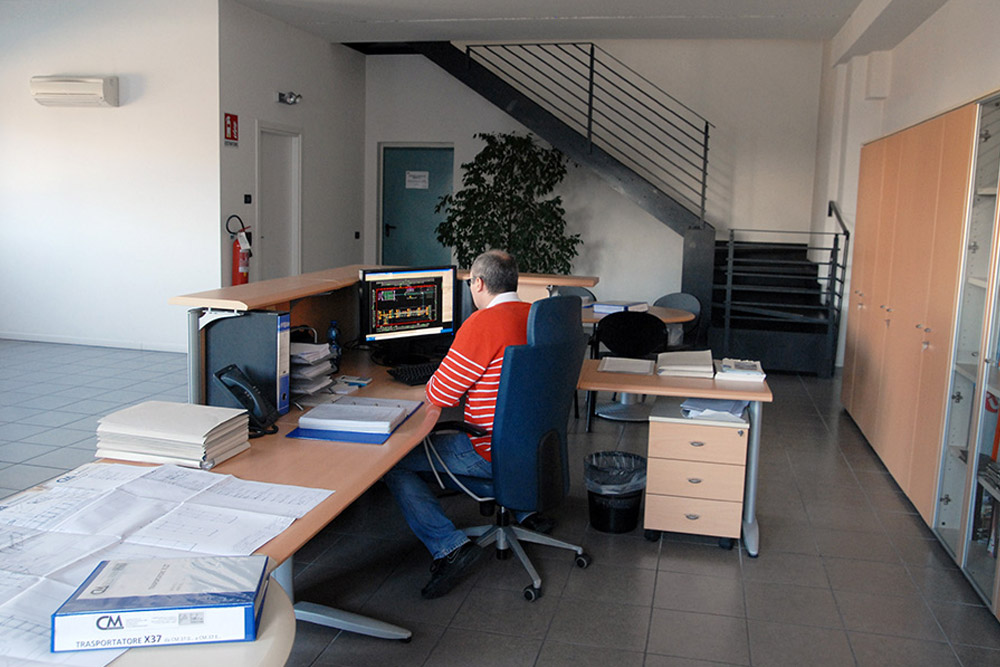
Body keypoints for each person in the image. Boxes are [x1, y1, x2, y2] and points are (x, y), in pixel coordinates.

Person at [383, 249, 550, 599]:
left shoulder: (482, 324)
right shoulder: (537, 316)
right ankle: (524, 510)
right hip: (535, 447)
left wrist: (432, 374)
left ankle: (449, 546)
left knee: (394, 462)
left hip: (488, 450)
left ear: (479, 283)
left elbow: (440, 394)